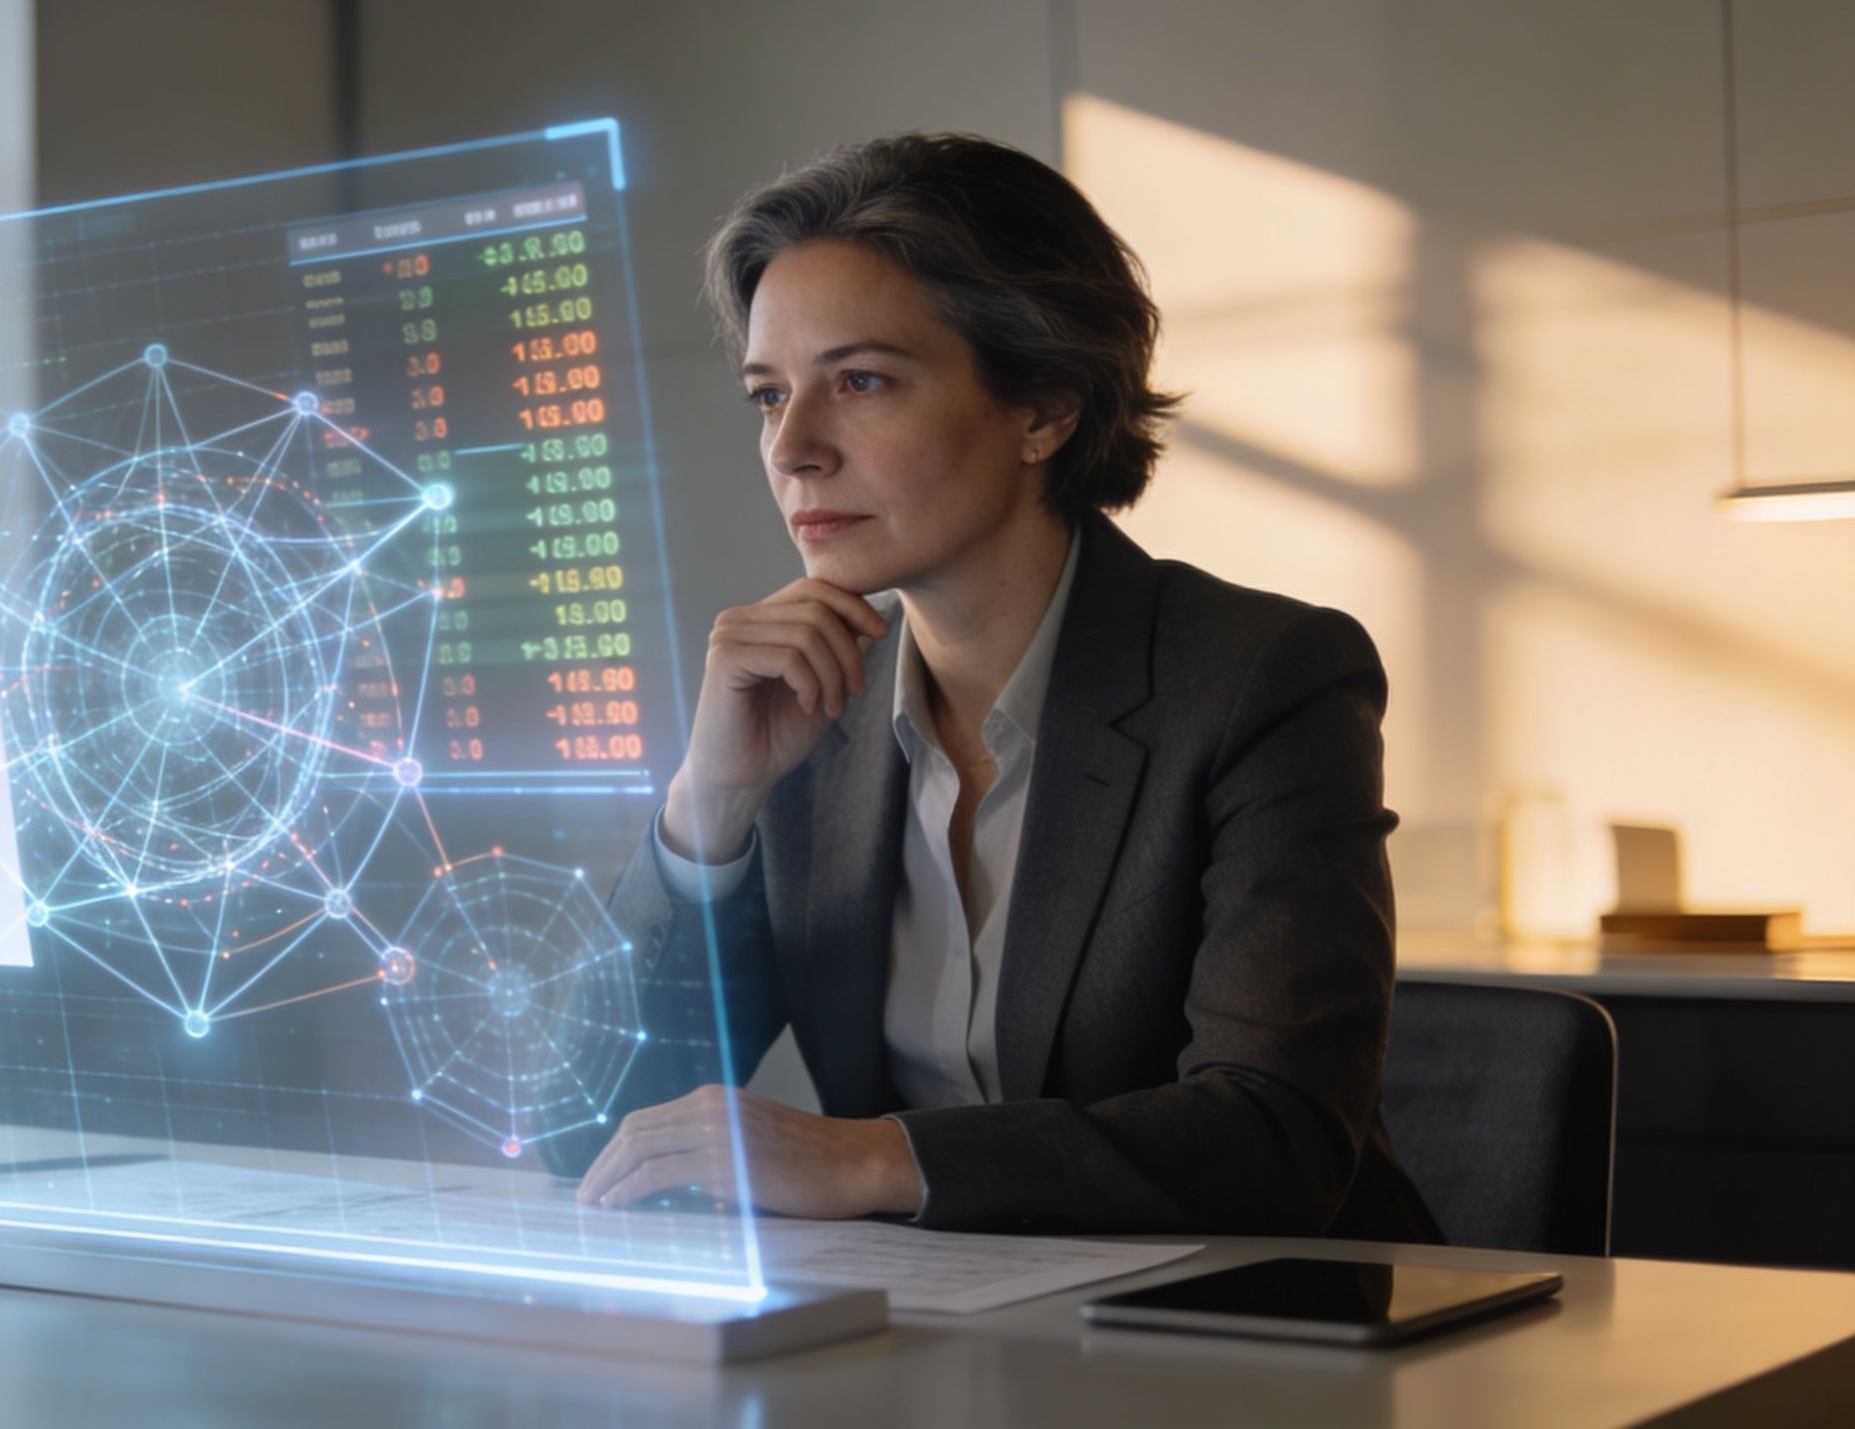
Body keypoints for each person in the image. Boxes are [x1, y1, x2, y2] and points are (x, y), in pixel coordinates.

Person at [555, 132, 1438, 1240]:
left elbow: (1274, 1140)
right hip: (935, 1342)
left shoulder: (1260, 678)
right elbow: (582, 1129)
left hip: (1257, 1338)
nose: (793, 448)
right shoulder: (800, 705)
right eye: (768, 395)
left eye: (860, 381)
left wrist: (874, 1158)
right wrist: (708, 808)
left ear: (1044, 408)